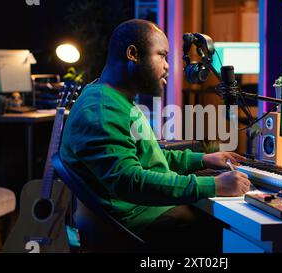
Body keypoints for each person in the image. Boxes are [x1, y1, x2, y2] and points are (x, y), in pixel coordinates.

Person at [59, 19, 251, 252]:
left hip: (142, 213)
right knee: (238, 234)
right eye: (161, 55)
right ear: (133, 54)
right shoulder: (101, 111)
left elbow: (148, 157)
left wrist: (202, 160)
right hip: (136, 225)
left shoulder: (115, 100)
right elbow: (131, 181)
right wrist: (212, 185)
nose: (168, 65)